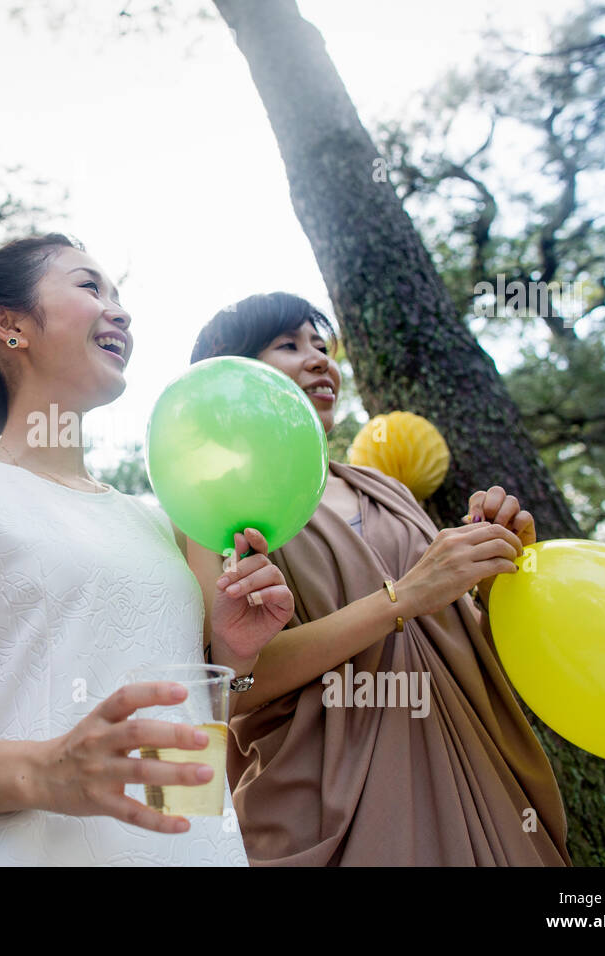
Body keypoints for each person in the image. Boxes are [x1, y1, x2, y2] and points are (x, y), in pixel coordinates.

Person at [0, 234, 295, 865]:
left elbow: (199, 715)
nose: (121, 311)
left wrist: (234, 651)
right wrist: (46, 769)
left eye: (120, 296)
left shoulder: (164, 524)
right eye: (90, 287)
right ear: (10, 324)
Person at [186, 291, 572, 866]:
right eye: (289, 345)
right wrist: (405, 596)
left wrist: (494, 587)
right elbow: (229, 689)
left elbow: (461, 650)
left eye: (321, 345)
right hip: (329, 805)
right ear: (232, 371)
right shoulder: (212, 502)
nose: (321, 360)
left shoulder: (386, 489)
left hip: (477, 772)